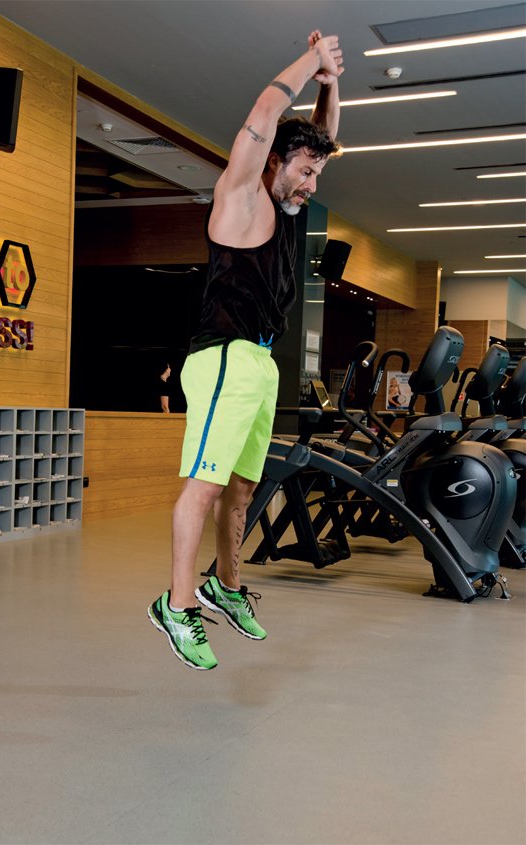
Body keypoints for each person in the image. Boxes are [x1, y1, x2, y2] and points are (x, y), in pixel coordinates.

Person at [148, 29, 344, 670]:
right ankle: (176, 605)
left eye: (316, 174)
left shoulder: (287, 207)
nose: (312, 183)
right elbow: (265, 111)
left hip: (259, 362)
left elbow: (321, 139)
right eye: (305, 172)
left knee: (242, 487)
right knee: (204, 487)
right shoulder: (240, 197)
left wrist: (331, 87)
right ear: (273, 161)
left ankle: (225, 586)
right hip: (224, 357)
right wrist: (312, 61)